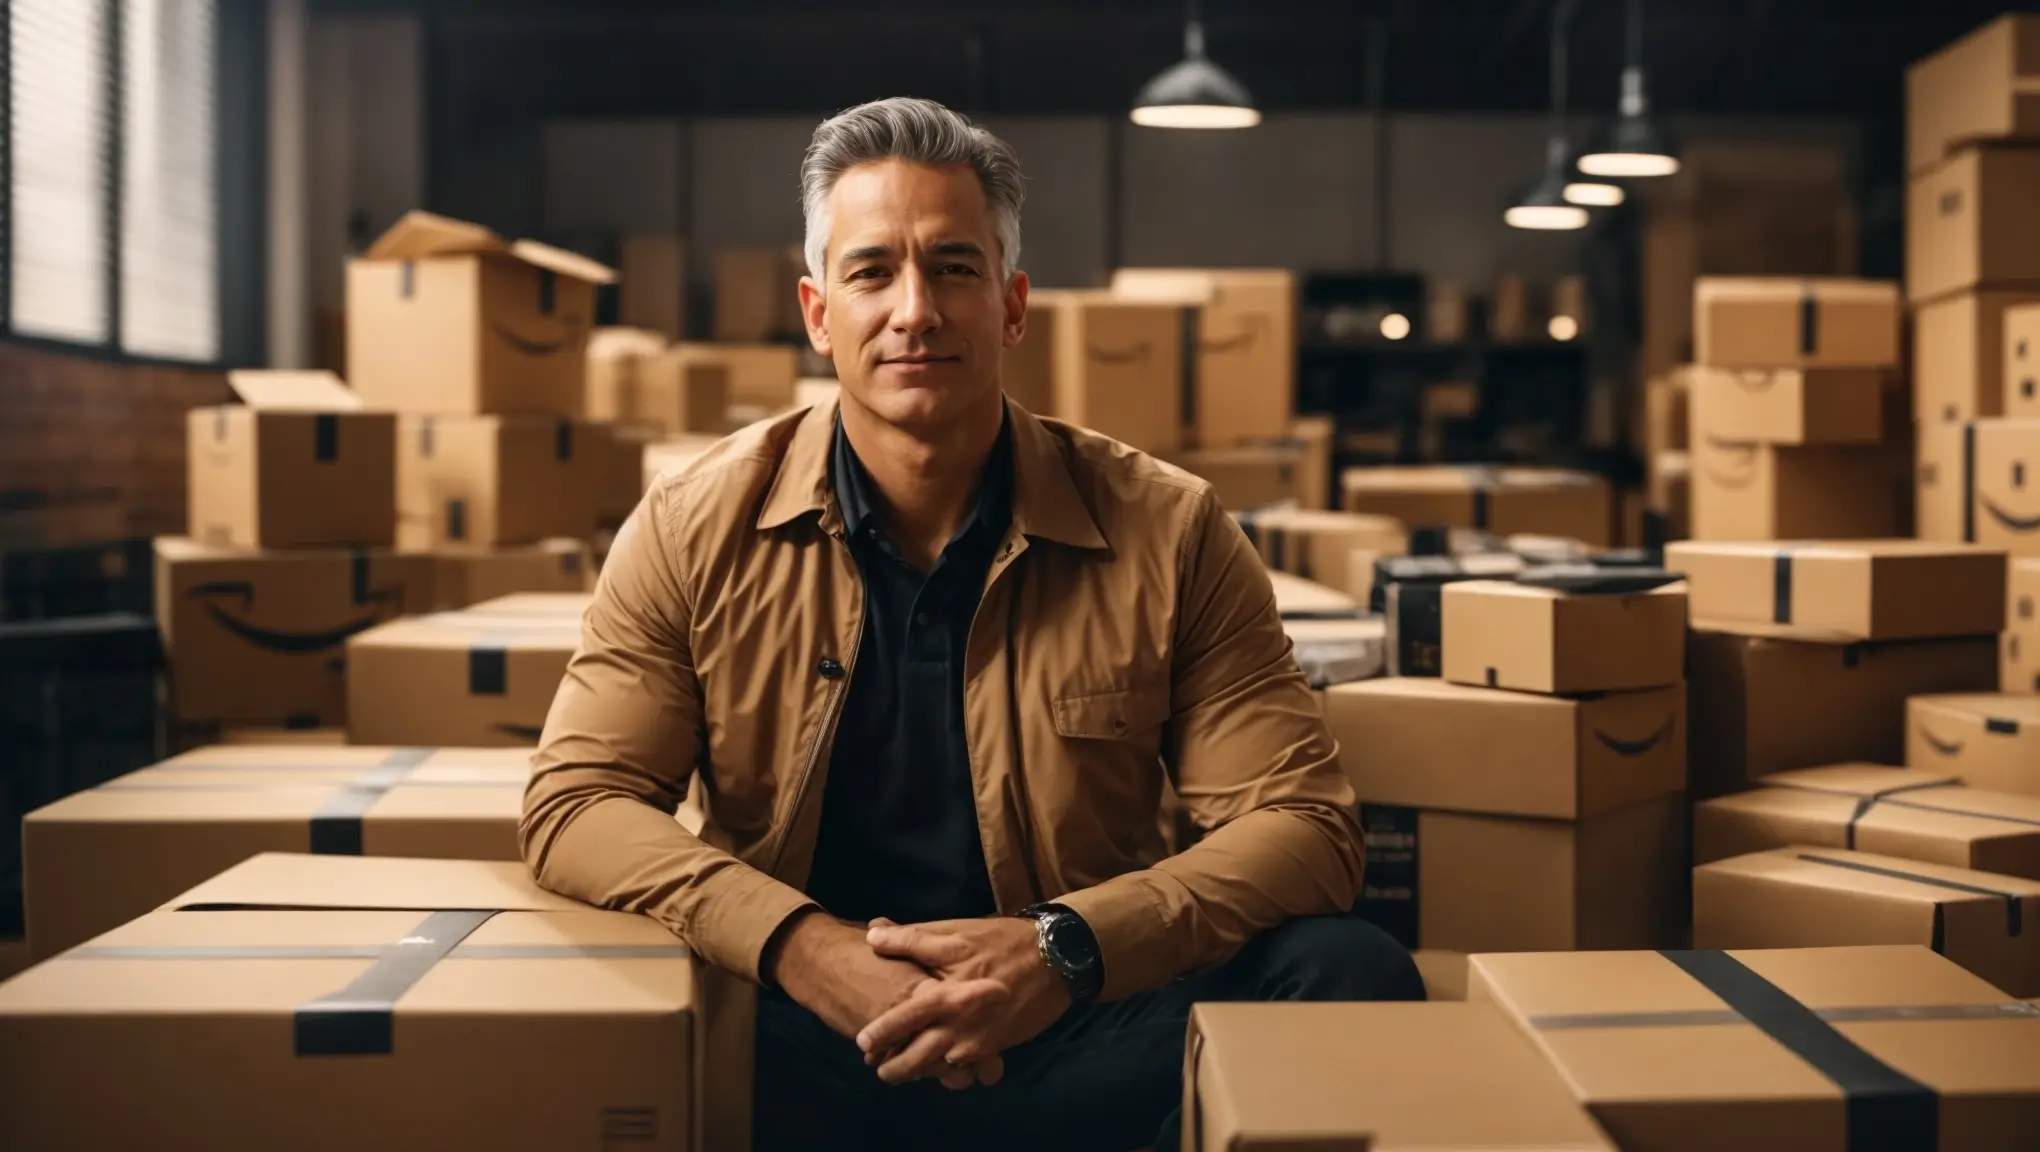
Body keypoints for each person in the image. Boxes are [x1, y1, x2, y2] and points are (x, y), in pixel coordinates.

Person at [520, 95, 1423, 1152]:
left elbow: (1308, 830)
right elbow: (576, 803)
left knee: (1347, 972)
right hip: (802, 1032)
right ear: (818, 313)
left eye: (954, 267)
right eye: (871, 273)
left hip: (1076, 1025)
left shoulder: (1168, 529)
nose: (916, 311)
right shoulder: (693, 524)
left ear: (1012, 303)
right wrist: (804, 947)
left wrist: (1063, 950)